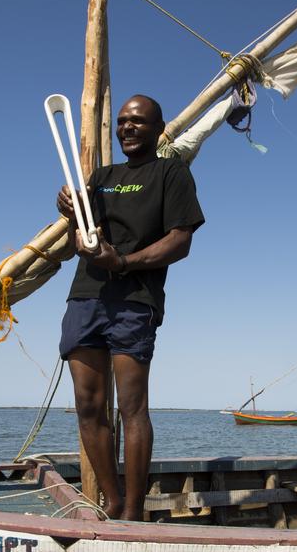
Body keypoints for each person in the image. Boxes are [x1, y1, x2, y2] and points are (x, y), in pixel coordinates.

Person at [56, 95, 205, 520]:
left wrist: (122, 262)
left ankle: (133, 511)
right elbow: (79, 244)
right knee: (88, 405)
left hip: (134, 300)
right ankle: (113, 499)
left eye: (138, 121)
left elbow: (181, 241)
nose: (127, 127)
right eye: (122, 121)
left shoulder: (170, 172)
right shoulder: (101, 176)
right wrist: (71, 214)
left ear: (159, 128)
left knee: (132, 406)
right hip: (86, 296)